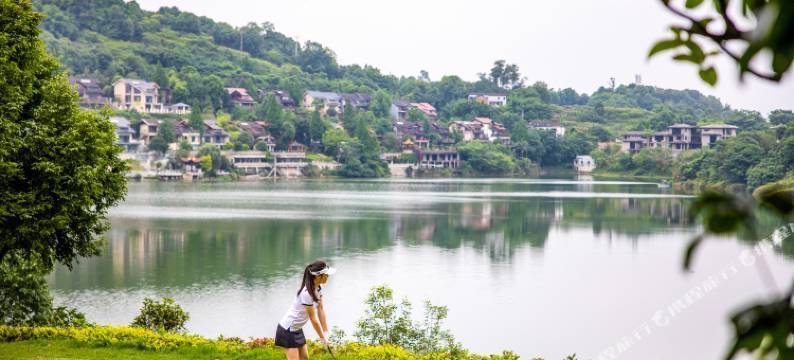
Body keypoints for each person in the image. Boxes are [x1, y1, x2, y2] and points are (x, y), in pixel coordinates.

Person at [275, 260, 336, 359]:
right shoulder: (306, 293)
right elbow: (313, 319)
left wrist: (326, 332)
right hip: (287, 330)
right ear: (317, 276)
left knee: (305, 358)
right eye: (326, 275)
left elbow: (320, 309)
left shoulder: (319, 288)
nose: (328, 277)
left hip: (297, 328)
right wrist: (322, 338)